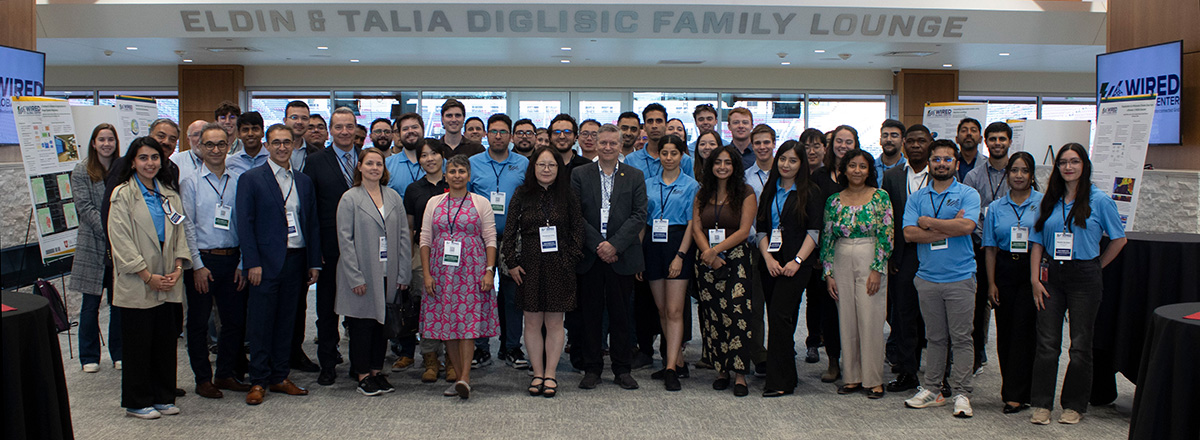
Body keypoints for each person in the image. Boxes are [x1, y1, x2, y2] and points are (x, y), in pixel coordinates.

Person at [1027, 143, 1126, 425]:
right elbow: (1036, 242)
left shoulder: (1099, 200)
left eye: (1074, 162)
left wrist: (1097, 266)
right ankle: (1042, 404)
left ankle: (1074, 405)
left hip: (1085, 276)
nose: (1068, 167)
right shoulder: (1049, 199)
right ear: (1057, 168)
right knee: (1047, 343)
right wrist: (1034, 279)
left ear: (1084, 165)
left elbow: (1119, 239)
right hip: (1050, 277)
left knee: (1080, 345)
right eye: (1063, 163)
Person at [107, 136, 192, 419]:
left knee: (165, 341)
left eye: (154, 158)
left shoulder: (169, 193)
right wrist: (147, 276)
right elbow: (120, 240)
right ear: (133, 161)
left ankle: (163, 396)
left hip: (169, 277)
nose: (150, 163)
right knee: (139, 343)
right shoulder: (122, 194)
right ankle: (137, 401)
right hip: (138, 278)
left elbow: (180, 234)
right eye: (143, 158)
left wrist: (178, 270)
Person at [236, 124, 321, 406]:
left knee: (288, 321)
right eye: (276, 142)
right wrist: (252, 263)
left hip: (296, 260)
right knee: (261, 323)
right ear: (267, 145)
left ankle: (280, 376)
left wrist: (313, 263)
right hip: (265, 264)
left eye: (286, 142)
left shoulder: (303, 181)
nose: (282, 147)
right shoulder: (252, 179)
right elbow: (244, 225)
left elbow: (311, 223)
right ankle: (258, 380)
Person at [901, 139, 982, 419]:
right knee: (935, 338)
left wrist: (930, 223)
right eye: (936, 159)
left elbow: (968, 226)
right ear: (929, 163)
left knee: (961, 338)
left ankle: (961, 393)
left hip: (960, 277)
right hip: (927, 278)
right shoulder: (918, 197)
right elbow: (909, 234)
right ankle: (932, 389)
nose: (941, 164)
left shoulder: (968, 194)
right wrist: (950, 227)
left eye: (948, 159)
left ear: (956, 164)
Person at [502, 146, 585, 398]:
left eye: (551, 165)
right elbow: (509, 230)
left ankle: (551, 374)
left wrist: (569, 260)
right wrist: (512, 263)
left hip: (560, 265)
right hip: (528, 266)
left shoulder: (568, 195)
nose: (546, 169)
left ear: (558, 169)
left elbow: (577, 231)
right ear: (533, 167)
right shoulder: (521, 193)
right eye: (541, 165)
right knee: (533, 322)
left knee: (554, 322)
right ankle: (537, 372)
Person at [571, 124, 647, 391]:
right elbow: (575, 215)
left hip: (622, 256)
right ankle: (592, 368)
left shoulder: (635, 175)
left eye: (612, 143)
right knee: (590, 315)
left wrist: (613, 246)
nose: (606, 147)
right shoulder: (580, 174)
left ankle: (622, 369)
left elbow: (639, 215)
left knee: (621, 315)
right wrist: (599, 245)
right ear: (594, 143)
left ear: (620, 145)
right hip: (591, 257)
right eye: (602, 142)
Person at [180, 123, 250, 399]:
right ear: (199, 147)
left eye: (221, 144)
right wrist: (196, 265)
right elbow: (187, 227)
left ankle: (224, 374)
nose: (216, 150)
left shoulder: (239, 180)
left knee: (233, 322)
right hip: (203, 263)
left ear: (229, 146)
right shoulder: (191, 182)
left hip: (232, 260)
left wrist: (243, 261)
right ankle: (202, 378)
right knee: (198, 324)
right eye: (209, 144)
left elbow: (244, 223)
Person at [419, 155, 499, 399]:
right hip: (441, 271)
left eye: (461, 171)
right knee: (447, 325)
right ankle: (458, 376)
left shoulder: (481, 202)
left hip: (472, 270)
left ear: (469, 175)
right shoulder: (434, 202)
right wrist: (427, 274)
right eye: (452, 171)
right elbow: (425, 239)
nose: (456, 175)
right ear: (445, 175)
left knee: (467, 325)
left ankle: (464, 376)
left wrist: (489, 270)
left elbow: (490, 238)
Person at [335, 148, 412, 396]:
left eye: (379, 164)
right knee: (362, 325)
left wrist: (403, 273)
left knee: (382, 325)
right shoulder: (350, 198)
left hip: (388, 271)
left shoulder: (393, 197)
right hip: (361, 272)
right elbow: (344, 240)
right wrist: (354, 276)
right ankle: (362, 374)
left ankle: (377, 371)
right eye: (369, 163)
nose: (374, 168)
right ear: (359, 167)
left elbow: (402, 236)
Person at [820, 149, 893, 399]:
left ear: (869, 170)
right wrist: (828, 273)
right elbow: (828, 237)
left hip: (869, 254)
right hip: (841, 256)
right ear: (844, 170)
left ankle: (873, 380)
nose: (857, 171)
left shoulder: (880, 197)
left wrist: (877, 269)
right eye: (852, 166)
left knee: (871, 319)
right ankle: (851, 377)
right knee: (847, 318)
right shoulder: (834, 200)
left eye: (862, 166)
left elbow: (886, 235)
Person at [755, 140, 824, 397]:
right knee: (779, 317)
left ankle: (779, 381)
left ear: (801, 164)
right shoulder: (769, 191)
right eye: (782, 159)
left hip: (797, 263)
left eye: (793, 160)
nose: (786, 164)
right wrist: (768, 259)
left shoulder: (811, 191)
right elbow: (761, 229)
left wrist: (797, 261)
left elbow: (814, 232)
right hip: (771, 263)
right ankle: (788, 376)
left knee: (781, 316)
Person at [302, 107, 363, 385]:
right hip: (330, 248)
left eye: (349, 126)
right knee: (327, 310)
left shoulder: (367, 159)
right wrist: (315, 253)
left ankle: (359, 364)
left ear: (356, 128)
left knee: (360, 309)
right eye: (338, 127)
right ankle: (328, 362)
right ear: (330, 130)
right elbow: (310, 210)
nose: (344, 132)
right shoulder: (316, 161)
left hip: (364, 247)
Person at [692, 145, 757, 397]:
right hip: (707, 261)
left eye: (727, 163)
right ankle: (722, 370)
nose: (722, 167)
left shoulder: (746, 192)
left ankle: (740, 374)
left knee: (737, 313)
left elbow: (743, 230)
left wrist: (715, 250)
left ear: (735, 166)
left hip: (736, 258)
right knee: (713, 316)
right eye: (718, 162)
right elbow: (696, 227)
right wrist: (708, 254)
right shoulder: (702, 193)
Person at [468, 113, 530, 369]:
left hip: (513, 238)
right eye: (493, 131)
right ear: (486, 134)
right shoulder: (473, 162)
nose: (498, 136)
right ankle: (481, 348)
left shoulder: (523, 164)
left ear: (511, 136)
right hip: (480, 238)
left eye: (503, 132)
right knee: (481, 292)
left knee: (513, 293)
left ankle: (512, 347)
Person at [981, 151, 1041, 414]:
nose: (1019, 175)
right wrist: (991, 283)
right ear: (1007, 176)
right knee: (1005, 333)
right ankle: (1010, 391)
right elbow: (990, 247)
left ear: (1032, 175)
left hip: (1033, 271)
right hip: (1004, 269)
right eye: (1014, 170)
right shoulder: (995, 207)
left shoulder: (1044, 203)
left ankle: (1023, 393)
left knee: (1025, 333)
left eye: (1024, 170)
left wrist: (1037, 277)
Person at [638, 135, 698, 391]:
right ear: (659, 156)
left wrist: (681, 256)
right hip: (652, 244)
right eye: (665, 153)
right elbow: (642, 221)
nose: (670, 158)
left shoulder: (692, 185)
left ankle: (671, 368)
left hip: (677, 244)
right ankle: (676, 361)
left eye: (675, 153)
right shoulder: (648, 184)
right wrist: (639, 257)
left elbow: (691, 225)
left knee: (675, 311)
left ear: (682, 155)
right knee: (662, 310)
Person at [881, 124, 932, 393]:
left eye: (920, 141)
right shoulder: (891, 176)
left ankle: (939, 373)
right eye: (910, 141)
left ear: (929, 143)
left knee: (934, 315)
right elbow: (887, 219)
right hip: (903, 254)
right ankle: (907, 371)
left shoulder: (942, 173)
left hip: (935, 253)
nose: (914, 145)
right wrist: (890, 255)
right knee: (903, 314)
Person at [962, 121, 1014, 375]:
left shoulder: (1018, 172)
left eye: (1001, 139)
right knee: (977, 303)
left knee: (1009, 305)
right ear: (986, 142)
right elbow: (970, 214)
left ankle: (1012, 358)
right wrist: (984, 239)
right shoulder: (974, 176)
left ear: (1009, 143)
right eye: (992, 139)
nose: (997, 143)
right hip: (980, 247)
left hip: (1011, 250)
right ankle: (976, 353)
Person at [72, 123, 122, 373]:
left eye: (110, 139)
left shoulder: (122, 168)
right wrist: (110, 228)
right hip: (92, 245)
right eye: (101, 139)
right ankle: (89, 356)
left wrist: (119, 233)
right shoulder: (82, 170)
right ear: (93, 143)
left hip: (118, 247)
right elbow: (84, 208)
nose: (106, 144)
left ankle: (119, 353)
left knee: (118, 304)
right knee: (90, 305)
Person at [403, 139, 453, 383]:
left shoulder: (454, 182)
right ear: (418, 159)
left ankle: (453, 360)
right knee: (428, 308)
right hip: (423, 254)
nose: (429, 159)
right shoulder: (414, 189)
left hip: (454, 257)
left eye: (434, 154)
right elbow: (410, 226)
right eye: (424, 155)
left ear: (442, 156)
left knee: (452, 308)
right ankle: (431, 360)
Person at [802, 127, 843, 371]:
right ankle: (813, 340)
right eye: (807, 146)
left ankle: (832, 344)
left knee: (830, 298)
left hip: (836, 248)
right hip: (809, 247)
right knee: (813, 297)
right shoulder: (799, 173)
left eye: (816, 145)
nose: (812, 150)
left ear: (824, 148)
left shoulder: (831, 175)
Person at [625, 104, 695, 179]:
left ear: (666, 125)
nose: (654, 126)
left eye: (659, 121)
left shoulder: (683, 159)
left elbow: (690, 187)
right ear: (644, 127)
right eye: (650, 121)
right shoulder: (631, 160)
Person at [283, 101, 320, 172]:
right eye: (294, 117)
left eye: (304, 118)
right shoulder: (273, 150)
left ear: (309, 122)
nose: (299, 122)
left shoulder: (315, 152)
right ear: (285, 120)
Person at [876, 120, 907, 187]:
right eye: (885, 135)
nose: (888, 139)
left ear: (903, 141)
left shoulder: (908, 168)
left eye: (894, 136)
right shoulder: (871, 167)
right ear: (880, 140)